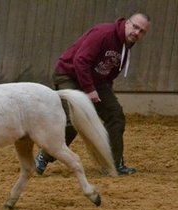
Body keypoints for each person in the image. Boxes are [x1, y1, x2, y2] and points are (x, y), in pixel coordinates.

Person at [35, 13, 151, 176]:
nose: (137, 32)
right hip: (69, 75)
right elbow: (80, 61)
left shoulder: (125, 48)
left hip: (96, 82)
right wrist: (89, 90)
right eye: (135, 27)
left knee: (115, 115)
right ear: (126, 23)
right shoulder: (103, 34)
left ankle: (113, 164)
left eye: (142, 31)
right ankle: (43, 157)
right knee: (73, 121)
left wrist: (102, 95)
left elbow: (108, 74)